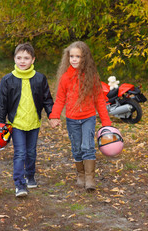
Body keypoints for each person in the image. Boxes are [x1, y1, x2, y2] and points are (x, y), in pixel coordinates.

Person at [49, 41, 112, 191]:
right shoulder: (65, 78)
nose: (74, 59)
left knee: (87, 146)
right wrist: (54, 116)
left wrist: (106, 122)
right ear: (68, 58)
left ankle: (90, 178)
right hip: (72, 119)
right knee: (77, 148)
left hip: (89, 118)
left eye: (78, 56)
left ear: (85, 58)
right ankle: (81, 174)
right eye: (72, 56)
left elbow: (99, 100)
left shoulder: (92, 77)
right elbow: (60, 99)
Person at [0, 42, 54, 197]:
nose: (23, 61)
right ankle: (19, 185)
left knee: (31, 152)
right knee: (20, 153)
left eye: (26, 58)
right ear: (14, 59)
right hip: (16, 124)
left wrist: (52, 115)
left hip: (34, 122)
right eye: (19, 57)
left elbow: (47, 99)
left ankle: (30, 176)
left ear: (33, 60)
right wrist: (0, 126)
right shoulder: (7, 80)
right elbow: (1, 104)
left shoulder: (40, 78)